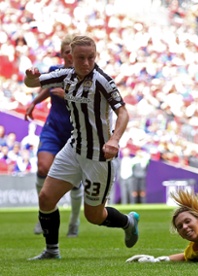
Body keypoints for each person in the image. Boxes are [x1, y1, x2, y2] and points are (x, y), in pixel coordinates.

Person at [24, 35, 139, 260]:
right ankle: (51, 250)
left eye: (90, 57)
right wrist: (30, 77)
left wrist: (114, 139)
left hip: (98, 155)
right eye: (81, 58)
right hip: (74, 148)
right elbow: (32, 83)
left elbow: (123, 112)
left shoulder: (103, 80)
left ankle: (128, 221)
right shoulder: (64, 74)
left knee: (94, 216)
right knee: (46, 198)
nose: (86, 63)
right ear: (70, 57)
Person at [24, 35, 83, 237]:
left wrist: (68, 96)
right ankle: (44, 214)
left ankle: (74, 221)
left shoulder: (86, 75)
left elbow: (92, 102)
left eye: (72, 51)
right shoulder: (54, 71)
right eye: (66, 51)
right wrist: (35, 102)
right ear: (62, 54)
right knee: (42, 167)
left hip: (76, 131)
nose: (69, 55)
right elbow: (48, 89)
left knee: (74, 181)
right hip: (53, 128)